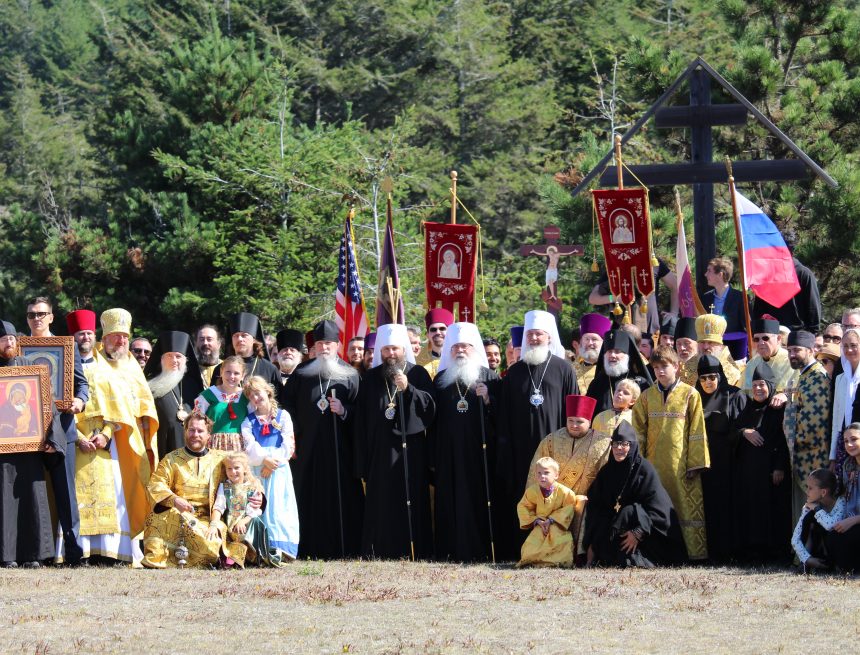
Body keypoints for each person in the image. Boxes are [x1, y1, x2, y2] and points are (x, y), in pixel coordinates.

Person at [56, 318, 158, 565]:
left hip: (105, 442)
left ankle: (111, 551)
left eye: (89, 333)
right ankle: (79, 550)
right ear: (73, 338)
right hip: (74, 438)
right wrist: (78, 437)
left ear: (95, 336)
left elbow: (119, 409)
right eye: (80, 334)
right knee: (75, 496)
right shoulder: (63, 367)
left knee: (112, 493)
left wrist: (106, 434)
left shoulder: (108, 369)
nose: (85, 338)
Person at [495, 310, 578, 560]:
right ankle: (523, 550)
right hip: (521, 451)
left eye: (538, 334)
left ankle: (556, 551)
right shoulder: (515, 372)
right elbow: (504, 415)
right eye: (529, 334)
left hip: (555, 451)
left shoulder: (564, 369)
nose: (533, 338)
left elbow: (572, 411)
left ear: (548, 336)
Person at [283, 320, 363, 559]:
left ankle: (344, 548)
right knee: (306, 496)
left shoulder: (350, 374)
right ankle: (305, 547)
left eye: (328, 343)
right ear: (314, 347)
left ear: (337, 345)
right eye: (319, 343)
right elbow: (286, 408)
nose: (324, 348)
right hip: (306, 449)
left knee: (341, 497)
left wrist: (345, 410)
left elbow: (362, 413)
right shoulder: (301, 373)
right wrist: (292, 439)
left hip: (340, 450)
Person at [356, 323, 435, 560]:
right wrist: (362, 461)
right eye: (387, 349)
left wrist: (408, 388)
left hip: (410, 452)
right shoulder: (370, 378)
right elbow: (361, 422)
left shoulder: (418, 373)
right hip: (379, 454)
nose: (391, 354)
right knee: (382, 504)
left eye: (396, 349)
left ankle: (414, 551)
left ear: (404, 350)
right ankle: (381, 551)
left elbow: (430, 409)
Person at [142, 412, 258, 568]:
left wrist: (260, 497)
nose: (195, 435)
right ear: (185, 431)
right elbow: (155, 484)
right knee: (156, 520)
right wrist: (174, 500)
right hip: (176, 515)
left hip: (208, 520)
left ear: (209, 434)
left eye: (200, 431)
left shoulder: (221, 459)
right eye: (191, 430)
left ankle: (216, 555)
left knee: (212, 545)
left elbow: (246, 477)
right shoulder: (171, 459)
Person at [0, 320, 68, 568]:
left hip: (30, 448)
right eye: (3, 340)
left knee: (32, 496)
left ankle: (35, 555)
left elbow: (47, 405)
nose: (8, 343)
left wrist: (53, 438)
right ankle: (6, 556)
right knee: (4, 501)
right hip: (3, 451)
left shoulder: (31, 368)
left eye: (11, 339)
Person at [633, 345, 709, 561]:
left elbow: (697, 430)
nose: (660, 371)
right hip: (654, 464)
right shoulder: (646, 396)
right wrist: (640, 463)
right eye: (656, 367)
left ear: (677, 366)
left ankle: (692, 554)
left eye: (665, 366)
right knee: (656, 507)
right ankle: (660, 553)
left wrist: (695, 462)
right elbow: (638, 430)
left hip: (681, 464)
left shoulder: (690, 394)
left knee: (684, 508)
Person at [431, 322, 499, 563]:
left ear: (475, 349)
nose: (460, 350)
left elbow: (503, 417)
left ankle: (482, 550)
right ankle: (449, 550)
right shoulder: (441, 379)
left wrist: (489, 398)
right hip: (448, 452)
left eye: (466, 346)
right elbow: (432, 418)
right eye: (456, 346)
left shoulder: (489, 376)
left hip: (481, 452)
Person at [26, 297, 87, 564]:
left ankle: (73, 553)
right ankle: (35, 552)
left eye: (41, 314)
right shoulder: (18, 348)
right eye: (31, 315)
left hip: (62, 428)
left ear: (51, 317)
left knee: (66, 494)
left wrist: (79, 401)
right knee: (31, 493)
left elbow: (82, 385)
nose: (36, 319)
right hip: (28, 433)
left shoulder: (67, 346)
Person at [583, 422, 685, 568]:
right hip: (616, 526)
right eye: (615, 444)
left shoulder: (644, 470)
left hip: (644, 530)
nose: (619, 448)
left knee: (629, 510)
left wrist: (638, 532)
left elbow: (659, 511)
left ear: (632, 446)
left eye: (624, 444)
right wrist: (594, 540)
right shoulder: (607, 471)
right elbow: (596, 503)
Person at [527, 394, 610, 561]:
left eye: (579, 422)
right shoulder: (551, 440)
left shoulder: (603, 443)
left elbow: (606, 479)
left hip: (586, 503)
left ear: (589, 421)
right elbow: (535, 471)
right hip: (554, 502)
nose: (574, 425)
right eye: (570, 420)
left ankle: (581, 556)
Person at [732, 360, 792, 563]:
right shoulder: (746, 409)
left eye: (762, 385)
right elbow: (733, 432)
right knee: (751, 512)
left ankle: (773, 553)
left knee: (772, 512)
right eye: (755, 384)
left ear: (771, 386)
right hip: (749, 475)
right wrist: (744, 432)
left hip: (771, 473)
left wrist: (779, 467)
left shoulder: (778, 411)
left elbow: (783, 441)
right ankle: (752, 552)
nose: (758, 389)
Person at [241, 377, 299, 562]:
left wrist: (273, 462)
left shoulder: (283, 416)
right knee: (261, 506)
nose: (256, 398)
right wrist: (264, 460)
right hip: (258, 470)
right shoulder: (248, 421)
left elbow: (288, 443)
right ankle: (260, 549)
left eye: (258, 393)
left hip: (279, 470)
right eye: (251, 396)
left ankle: (281, 548)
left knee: (279, 507)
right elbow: (249, 446)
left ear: (267, 391)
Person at [695, 354, 744, 563]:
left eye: (712, 377)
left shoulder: (734, 396)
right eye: (703, 378)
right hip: (702, 464)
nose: (708, 382)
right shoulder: (693, 398)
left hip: (728, 462)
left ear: (720, 376)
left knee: (728, 506)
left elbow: (741, 427)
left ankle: (730, 551)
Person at [783, 330, 832, 526]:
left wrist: (792, 439)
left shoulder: (817, 377)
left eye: (797, 350)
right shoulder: (802, 375)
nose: (792, 354)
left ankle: (810, 554)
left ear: (811, 350)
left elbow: (813, 422)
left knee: (813, 507)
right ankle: (800, 553)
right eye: (789, 350)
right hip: (800, 455)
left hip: (812, 456)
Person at [210, 451, 281, 567]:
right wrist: (214, 524)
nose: (233, 472)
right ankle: (231, 555)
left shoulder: (252, 487)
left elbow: (254, 511)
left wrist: (243, 521)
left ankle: (252, 555)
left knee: (256, 522)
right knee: (221, 529)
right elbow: (219, 506)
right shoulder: (224, 486)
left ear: (245, 469)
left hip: (247, 524)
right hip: (230, 525)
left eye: (236, 468)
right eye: (229, 468)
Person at [144, 331, 204, 460]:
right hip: (160, 444)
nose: (174, 360)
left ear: (185, 360)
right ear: (161, 359)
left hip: (191, 445)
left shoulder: (194, 386)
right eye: (169, 356)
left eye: (178, 356)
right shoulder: (150, 385)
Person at [589, 257, 679, 334]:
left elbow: (675, 286)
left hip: (651, 327)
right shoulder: (615, 263)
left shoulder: (653, 261)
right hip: (624, 327)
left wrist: (674, 313)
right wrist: (614, 298)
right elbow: (593, 298)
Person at [516, 457, 577, 567]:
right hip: (540, 525)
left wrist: (552, 520)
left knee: (561, 543)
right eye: (539, 473)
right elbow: (523, 506)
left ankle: (557, 562)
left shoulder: (565, 492)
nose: (542, 476)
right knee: (532, 543)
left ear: (556, 475)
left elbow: (569, 507)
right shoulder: (532, 491)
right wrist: (537, 520)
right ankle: (532, 561)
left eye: (546, 473)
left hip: (557, 525)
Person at [750, 239, 822, 333]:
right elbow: (758, 310)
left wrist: (810, 336)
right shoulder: (767, 275)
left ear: (789, 252)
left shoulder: (804, 274)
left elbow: (813, 310)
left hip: (796, 337)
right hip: (770, 334)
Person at [585, 329, 652, 415]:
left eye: (617, 352)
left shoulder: (641, 383)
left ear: (627, 355)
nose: (612, 355)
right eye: (609, 351)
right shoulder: (597, 384)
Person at [790, 468, 845, 572]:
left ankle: (836, 566)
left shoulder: (841, 503)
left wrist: (817, 509)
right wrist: (807, 559)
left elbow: (831, 526)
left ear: (823, 492)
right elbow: (795, 539)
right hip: (816, 554)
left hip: (836, 549)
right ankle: (807, 566)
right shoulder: (809, 507)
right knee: (809, 519)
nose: (807, 492)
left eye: (810, 488)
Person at [212, 312, 280, 390]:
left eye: (244, 335)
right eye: (236, 336)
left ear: (254, 339)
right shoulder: (221, 369)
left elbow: (276, 401)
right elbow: (211, 399)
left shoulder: (270, 369)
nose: (239, 339)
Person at [195, 355, 249, 452]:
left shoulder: (246, 396)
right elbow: (196, 421)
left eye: (236, 373)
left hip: (240, 448)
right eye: (228, 372)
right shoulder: (208, 395)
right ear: (221, 372)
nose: (232, 376)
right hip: (213, 445)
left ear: (243, 376)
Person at [826, 425, 860, 572]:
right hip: (853, 519)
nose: (849, 445)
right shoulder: (848, 466)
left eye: (854, 439)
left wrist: (852, 521)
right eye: (846, 441)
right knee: (834, 535)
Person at [829, 328, 860, 482]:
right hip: (845, 444)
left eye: (854, 345)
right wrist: (833, 456)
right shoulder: (840, 379)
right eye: (845, 346)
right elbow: (836, 418)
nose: (849, 350)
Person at [680, 313, 741, 387]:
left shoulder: (733, 371)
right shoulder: (686, 368)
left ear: (719, 345)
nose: (705, 347)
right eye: (702, 342)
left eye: (710, 342)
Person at [742, 318, 794, 402]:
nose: (760, 343)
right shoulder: (752, 363)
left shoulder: (791, 361)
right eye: (756, 339)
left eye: (765, 338)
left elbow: (798, 389)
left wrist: (785, 395)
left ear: (778, 339)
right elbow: (743, 391)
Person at [702, 257, 747, 333]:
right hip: (711, 343)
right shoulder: (705, 298)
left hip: (732, 343)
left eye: (709, 271)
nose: (705, 274)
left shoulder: (740, 298)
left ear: (720, 275)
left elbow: (747, 327)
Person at [574, 313, 611, 393]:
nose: (590, 343)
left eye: (594, 339)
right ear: (581, 342)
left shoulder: (611, 368)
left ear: (603, 342)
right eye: (586, 339)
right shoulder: (571, 369)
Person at [422, 308, 454, 380]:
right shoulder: (418, 361)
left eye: (442, 329)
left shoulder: (458, 359)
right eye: (433, 329)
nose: (438, 332)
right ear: (427, 334)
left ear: (450, 333)